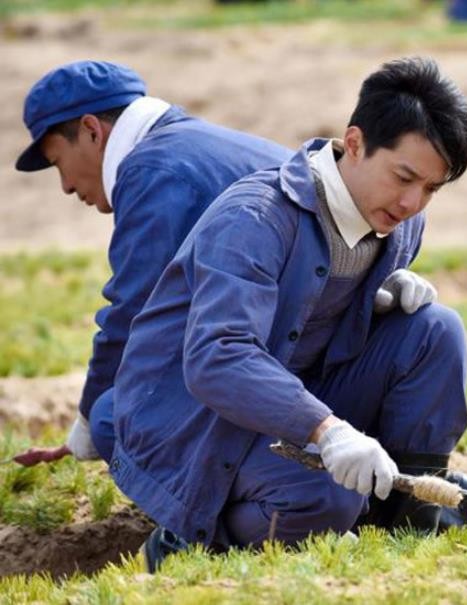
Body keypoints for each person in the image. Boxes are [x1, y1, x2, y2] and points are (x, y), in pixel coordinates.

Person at [102, 56, 467, 570]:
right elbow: (219, 358)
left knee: (435, 331)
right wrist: (328, 431)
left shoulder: (400, 222)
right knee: (326, 498)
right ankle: (189, 540)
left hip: (291, 396)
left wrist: (371, 298)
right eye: (405, 177)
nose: (414, 202)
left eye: (432, 189)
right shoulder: (254, 218)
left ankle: (402, 512)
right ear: (355, 142)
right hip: (196, 421)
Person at [14, 61, 291, 465]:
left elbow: (132, 314)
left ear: (92, 130)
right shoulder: (197, 144)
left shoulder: (151, 170)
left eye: (59, 164)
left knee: (118, 416)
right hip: (324, 344)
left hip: (292, 366)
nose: (66, 186)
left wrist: (89, 424)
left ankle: (215, 514)